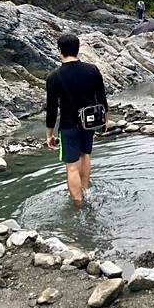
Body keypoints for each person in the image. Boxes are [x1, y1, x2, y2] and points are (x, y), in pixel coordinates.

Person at [45, 33, 109, 206]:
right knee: (85, 155)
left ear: (59, 51)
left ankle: (78, 203)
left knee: (72, 165)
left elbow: (52, 109)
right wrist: (105, 120)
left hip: (68, 125)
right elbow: (101, 98)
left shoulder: (54, 77)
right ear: (78, 49)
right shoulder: (92, 70)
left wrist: (49, 134)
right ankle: (86, 191)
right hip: (89, 123)